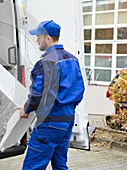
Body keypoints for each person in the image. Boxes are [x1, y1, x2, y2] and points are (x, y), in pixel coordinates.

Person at [15, 20, 85, 169]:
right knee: (60, 165)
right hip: (67, 121)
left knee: (32, 166)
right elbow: (80, 90)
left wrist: (26, 110)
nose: (37, 40)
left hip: (49, 123)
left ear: (47, 38)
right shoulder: (73, 59)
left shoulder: (45, 63)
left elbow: (37, 94)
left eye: (39, 36)